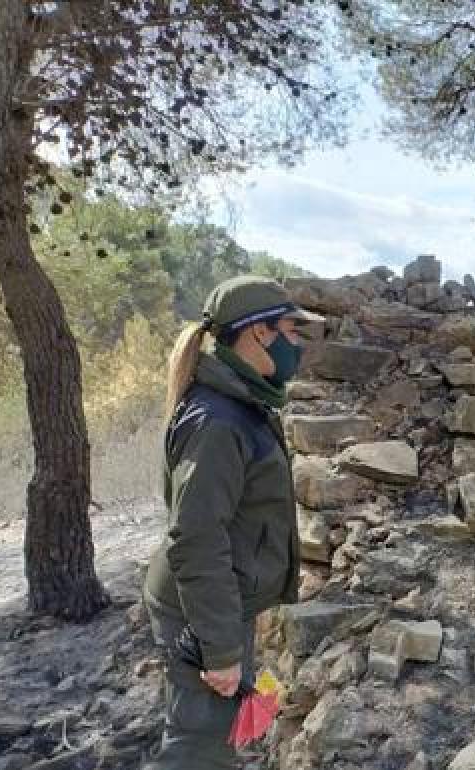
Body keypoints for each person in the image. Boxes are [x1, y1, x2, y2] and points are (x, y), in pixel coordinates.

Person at [142, 276, 324, 769]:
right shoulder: (218, 421)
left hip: (220, 601)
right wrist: (220, 648)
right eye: (291, 329)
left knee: (224, 732)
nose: (297, 343)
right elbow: (197, 539)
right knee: (198, 747)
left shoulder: (242, 405)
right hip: (200, 610)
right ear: (258, 334)